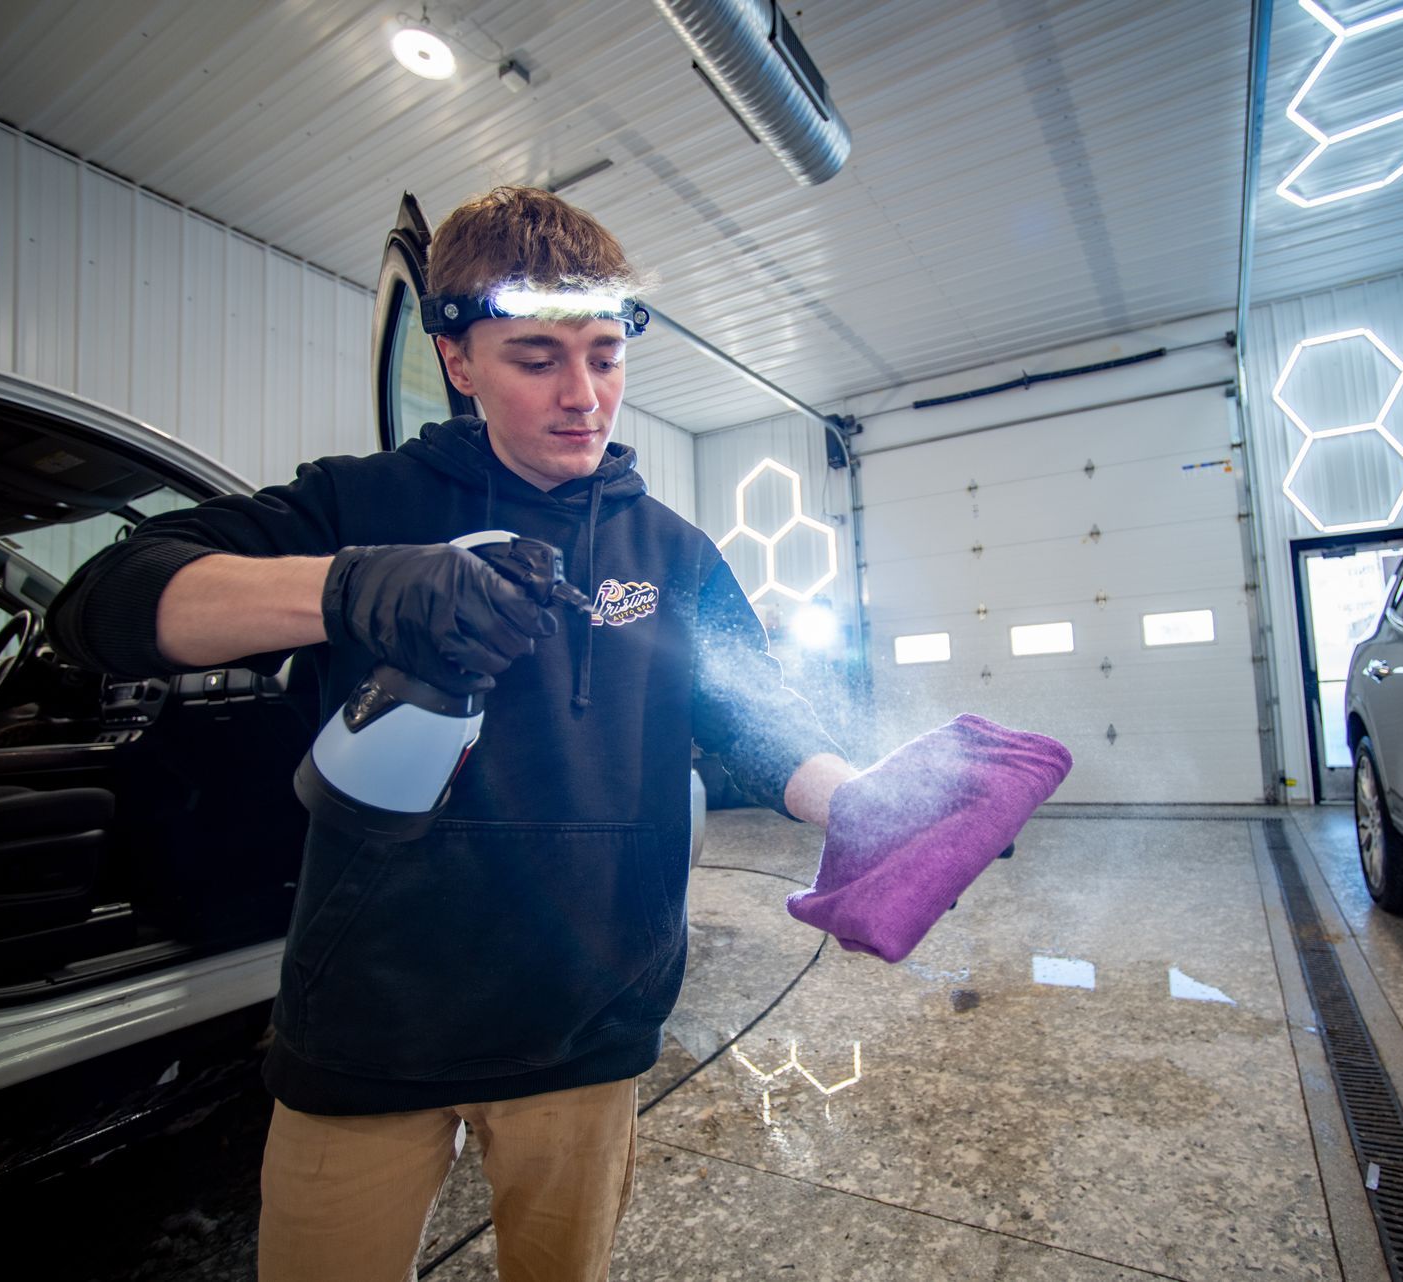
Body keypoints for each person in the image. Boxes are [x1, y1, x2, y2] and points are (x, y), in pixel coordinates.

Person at [45, 185, 858, 1282]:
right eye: (536, 358)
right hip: (370, 1027)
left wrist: (854, 800)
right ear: (456, 359)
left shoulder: (672, 553)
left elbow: (755, 717)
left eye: (606, 356)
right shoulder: (358, 505)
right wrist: (348, 588)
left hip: (585, 1027)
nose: (584, 397)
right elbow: (105, 604)